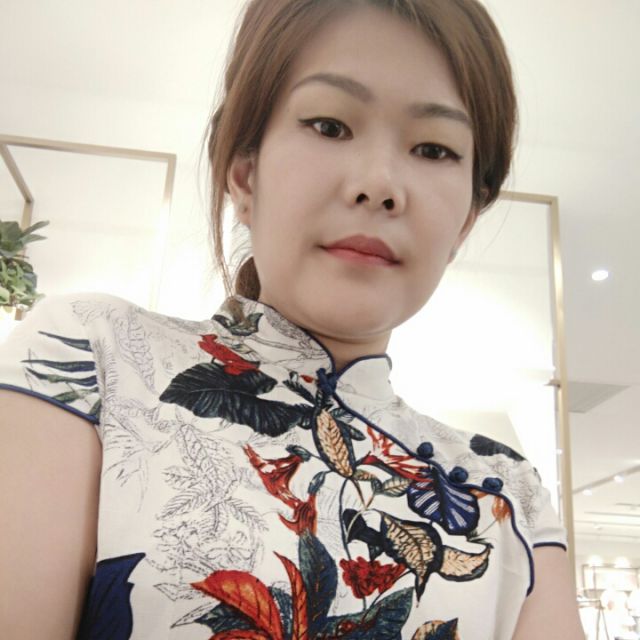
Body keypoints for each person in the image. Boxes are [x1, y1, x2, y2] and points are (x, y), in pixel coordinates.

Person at [0, 0, 585, 638]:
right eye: (330, 125)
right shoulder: (93, 357)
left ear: (465, 221)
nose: (379, 184)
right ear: (244, 173)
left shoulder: (509, 497)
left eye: (433, 148)